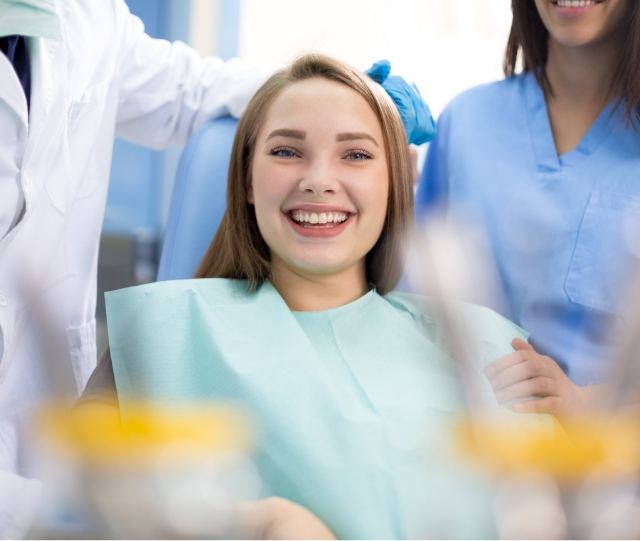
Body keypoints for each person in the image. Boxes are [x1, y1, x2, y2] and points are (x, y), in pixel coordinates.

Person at [86, 53, 547, 538]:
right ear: (245, 178)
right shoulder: (162, 333)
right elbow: (87, 497)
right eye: (287, 152)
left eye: (356, 155)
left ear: (395, 182)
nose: (319, 181)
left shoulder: (486, 346)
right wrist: (257, 524)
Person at [0, 0, 271, 536]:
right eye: (287, 154)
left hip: (37, 419)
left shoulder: (86, 16)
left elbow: (189, 93)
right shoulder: (171, 329)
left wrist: (333, 86)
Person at [416, 0, 640, 417]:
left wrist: (584, 402)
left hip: (609, 467)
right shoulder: (467, 121)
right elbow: (411, 305)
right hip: (472, 452)